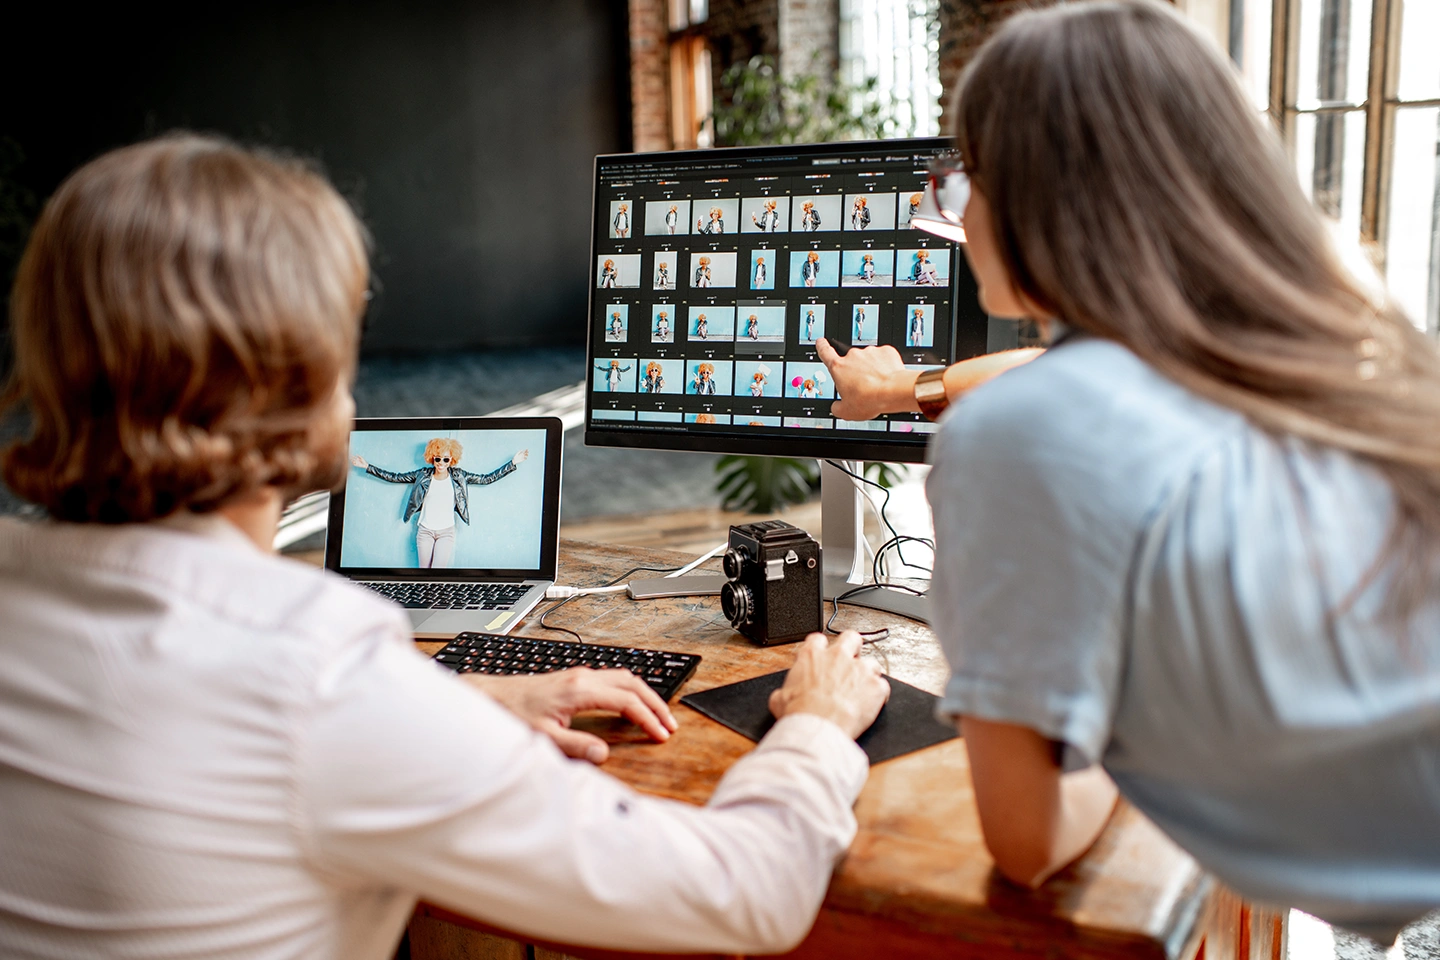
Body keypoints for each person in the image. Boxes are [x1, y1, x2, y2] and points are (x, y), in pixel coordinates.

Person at [0, 135, 890, 959]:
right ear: (301, 382)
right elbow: (739, 894)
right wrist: (815, 723)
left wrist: (458, 699)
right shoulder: (318, 669)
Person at [817, 0, 1440, 945]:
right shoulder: (1335, 347)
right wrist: (915, 386)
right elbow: (1090, 368)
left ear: (1041, 196)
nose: (960, 209)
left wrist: (1082, 704)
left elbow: (1028, 839)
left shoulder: (1019, 439)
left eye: (966, 178)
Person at [350, 439, 527, 568]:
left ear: (452, 460)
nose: (441, 463)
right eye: (437, 459)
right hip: (424, 531)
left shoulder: (459, 476)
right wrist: (368, 467)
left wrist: (512, 464)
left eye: (446, 459)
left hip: (446, 532)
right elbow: (395, 477)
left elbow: (486, 479)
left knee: (436, 574)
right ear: (432, 458)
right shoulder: (422, 475)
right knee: (424, 575)